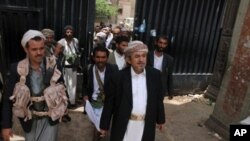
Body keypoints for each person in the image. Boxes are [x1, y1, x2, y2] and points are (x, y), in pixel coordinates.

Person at [1, 30, 67, 141]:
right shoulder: (16, 69)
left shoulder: (55, 66)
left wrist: (64, 107)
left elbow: (63, 87)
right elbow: (7, 99)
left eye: (41, 48)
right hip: (29, 120)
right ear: (26, 49)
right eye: (34, 49)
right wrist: (6, 125)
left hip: (50, 118)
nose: (39, 53)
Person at [100, 41, 165, 141]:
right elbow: (109, 103)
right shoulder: (118, 77)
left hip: (145, 124)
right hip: (124, 124)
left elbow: (158, 99)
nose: (141, 60)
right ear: (129, 60)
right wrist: (104, 126)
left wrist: (160, 119)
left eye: (144, 56)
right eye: (137, 56)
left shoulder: (155, 75)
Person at [83, 45, 118, 141]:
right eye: (97, 57)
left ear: (107, 58)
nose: (100, 60)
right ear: (93, 57)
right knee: (96, 128)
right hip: (93, 103)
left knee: (103, 129)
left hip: (107, 104)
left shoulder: (114, 69)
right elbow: (85, 84)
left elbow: (117, 88)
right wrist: (85, 95)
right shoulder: (89, 69)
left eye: (103, 57)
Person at [58, 25, 79, 108]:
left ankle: (72, 102)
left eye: (71, 32)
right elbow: (57, 53)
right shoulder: (61, 42)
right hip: (65, 67)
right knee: (65, 84)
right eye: (67, 32)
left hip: (73, 66)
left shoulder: (75, 41)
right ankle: (66, 102)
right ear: (65, 33)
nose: (69, 34)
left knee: (73, 85)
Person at [147, 35, 174, 99]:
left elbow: (169, 75)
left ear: (166, 45)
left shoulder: (169, 59)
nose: (162, 46)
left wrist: (170, 92)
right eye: (160, 43)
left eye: (164, 44)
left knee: (157, 107)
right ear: (156, 42)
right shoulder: (147, 55)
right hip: (147, 85)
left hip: (160, 88)